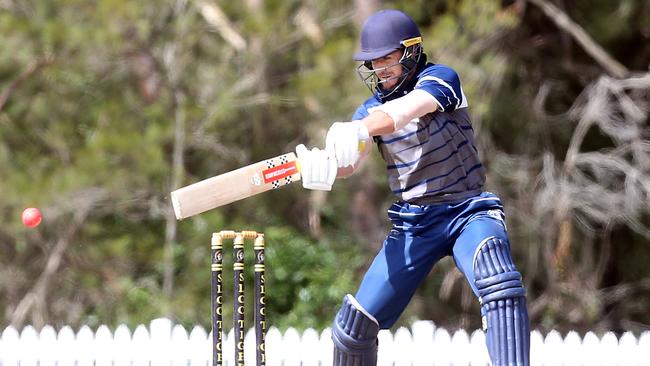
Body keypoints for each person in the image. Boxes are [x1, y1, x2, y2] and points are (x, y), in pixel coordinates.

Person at [295, 9, 530, 366]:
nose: (380, 69)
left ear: (411, 51)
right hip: (414, 224)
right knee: (352, 328)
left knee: (499, 282)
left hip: (467, 211)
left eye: (387, 59)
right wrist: (326, 167)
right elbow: (351, 164)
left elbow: (407, 110)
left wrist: (360, 129)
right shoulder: (369, 110)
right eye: (373, 63)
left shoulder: (440, 79)